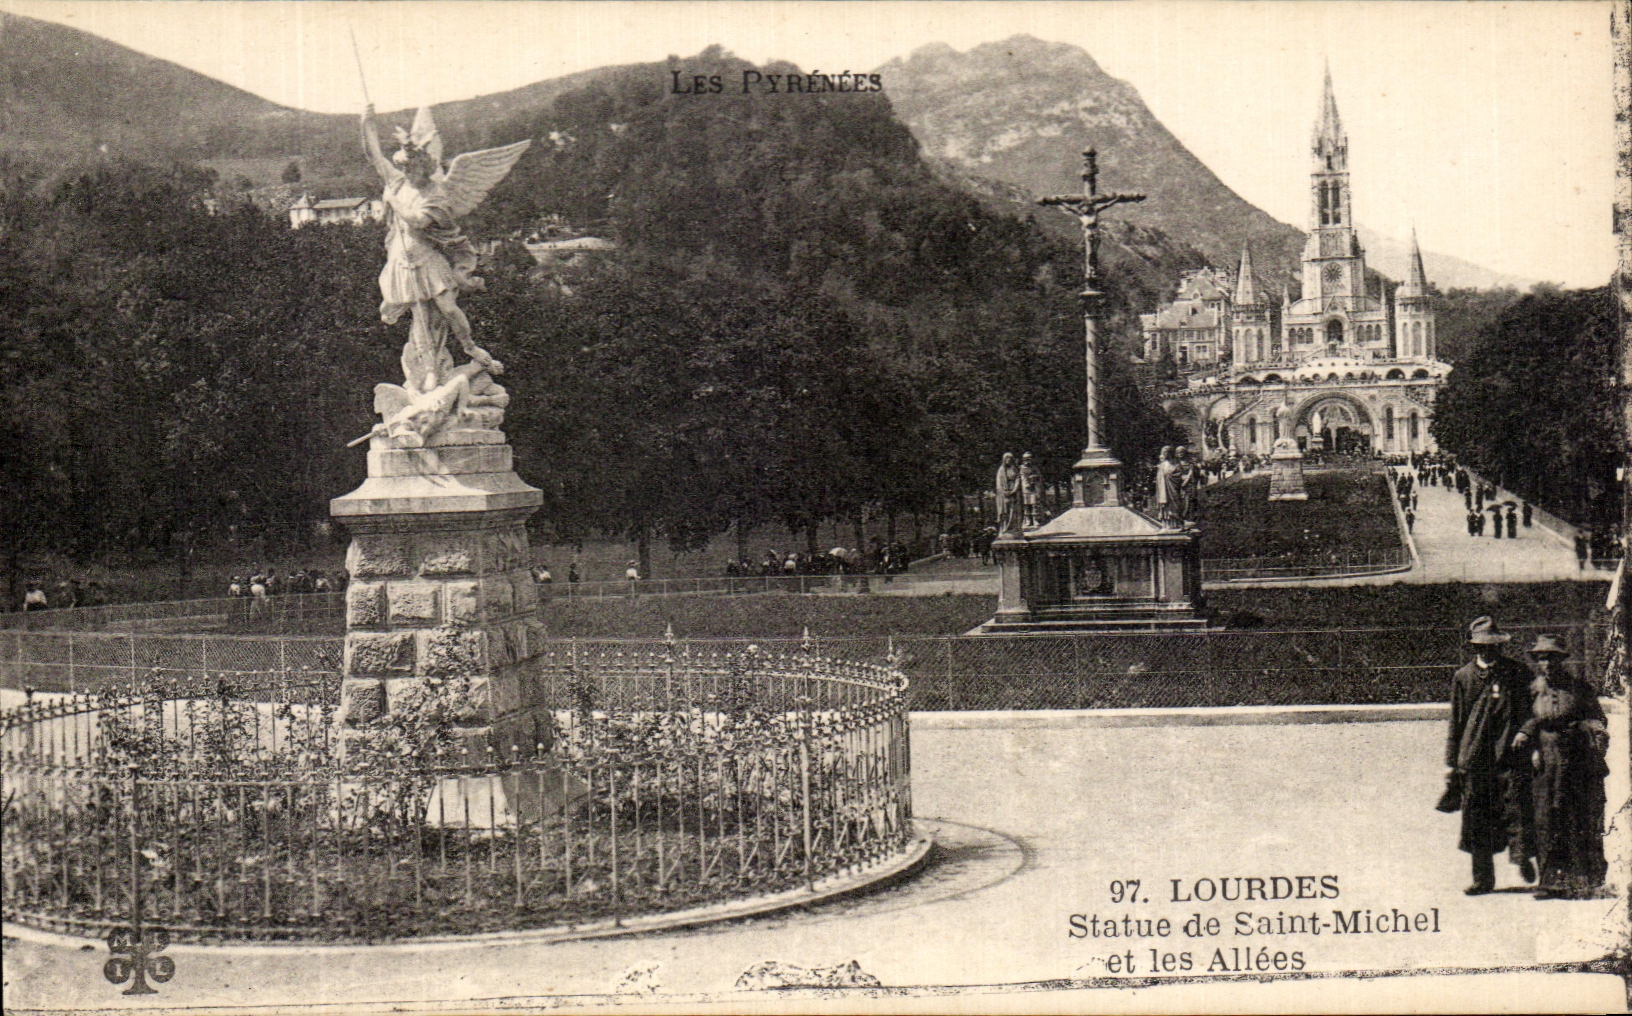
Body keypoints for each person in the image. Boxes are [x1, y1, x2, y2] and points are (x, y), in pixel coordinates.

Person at [361, 105, 530, 393]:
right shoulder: (398, 183)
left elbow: (417, 221)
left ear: (424, 167)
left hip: (428, 260)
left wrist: (392, 200)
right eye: (404, 167)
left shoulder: (436, 194)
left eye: (412, 167)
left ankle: (470, 347)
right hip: (402, 262)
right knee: (422, 322)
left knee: (448, 308)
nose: (406, 171)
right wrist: (367, 125)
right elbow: (373, 155)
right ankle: (429, 372)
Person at [1444, 616, 1536, 895]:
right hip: (1476, 758)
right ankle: (1482, 879)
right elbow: (1456, 720)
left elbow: (1533, 710)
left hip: (1510, 753)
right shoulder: (1463, 677)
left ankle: (1522, 858)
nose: (1488, 651)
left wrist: (1526, 734)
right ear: (1474, 648)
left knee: (1517, 808)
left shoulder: (1518, 673)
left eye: (1493, 646)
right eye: (1482, 646)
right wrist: (1452, 763)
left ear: (1500, 647)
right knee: (1477, 816)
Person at [1512, 635, 1608, 899]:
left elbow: (1597, 718)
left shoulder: (1579, 688)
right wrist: (1529, 742)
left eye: (1552, 657)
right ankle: (1547, 879)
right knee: (1544, 817)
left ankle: (1577, 879)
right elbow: (1525, 719)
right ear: (1537, 662)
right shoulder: (1531, 689)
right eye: (1542, 658)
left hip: (1574, 758)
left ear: (1561, 660)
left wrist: (1592, 734)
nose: (1547, 663)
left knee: (1573, 815)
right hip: (1544, 759)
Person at [994, 452, 1022, 534]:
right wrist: (1003, 491)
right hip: (1003, 494)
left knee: (1013, 511)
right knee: (1004, 511)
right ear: (1004, 459)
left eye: (1010, 458)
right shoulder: (1001, 470)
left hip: (1013, 493)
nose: (1008, 460)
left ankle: (1013, 529)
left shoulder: (1014, 469)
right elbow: (998, 483)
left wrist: (1014, 490)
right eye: (1007, 458)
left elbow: (1018, 479)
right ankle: (1003, 529)